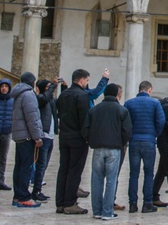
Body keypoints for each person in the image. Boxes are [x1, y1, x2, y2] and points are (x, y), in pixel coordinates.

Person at [83, 84, 132, 222]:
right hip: (114, 148)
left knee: (96, 179)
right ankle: (107, 211)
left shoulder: (94, 109)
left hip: (98, 148)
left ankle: (97, 211)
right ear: (117, 94)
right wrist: (122, 143)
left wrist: (91, 140)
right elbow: (127, 131)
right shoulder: (122, 110)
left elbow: (86, 128)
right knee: (111, 180)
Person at [124, 81, 165, 213]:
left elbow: (126, 123)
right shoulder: (155, 103)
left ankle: (133, 203)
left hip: (134, 141)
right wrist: (154, 134)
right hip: (149, 141)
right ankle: (147, 203)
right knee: (148, 173)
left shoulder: (129, 103)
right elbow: (161, 121)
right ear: (149, 90)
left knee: (133, 174)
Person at [56, 68, 92, 215]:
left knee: (63, 169)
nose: (87, 83)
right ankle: (70, 203)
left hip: (64, 136)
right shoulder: (81, 96)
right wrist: (88, 137)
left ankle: (60, 203)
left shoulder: (63, 94)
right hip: (77, 138)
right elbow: (84, 119)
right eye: (87, 81)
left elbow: (58, 112)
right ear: (82, 80)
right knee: (74, 171)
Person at [10, 72, 43, 208]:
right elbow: (32, 117)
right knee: (26, 167)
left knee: (19, 166)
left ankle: (18, 195)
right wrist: (37, 136)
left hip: (19, 135)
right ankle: (23, 196)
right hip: (27, 135)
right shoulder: (29, 94)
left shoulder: (18, 94)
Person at [31, 79, 58, 202]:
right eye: (47, 87)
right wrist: (53, 85)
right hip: (43, 135)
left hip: (50, 136)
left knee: (44, 164)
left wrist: (63, 88)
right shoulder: (40, 98)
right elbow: (45, 98)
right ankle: (36, 190)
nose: (50, 90)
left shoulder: (49, 99)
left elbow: (59, 104)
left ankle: (38, 188)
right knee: (40, 164)